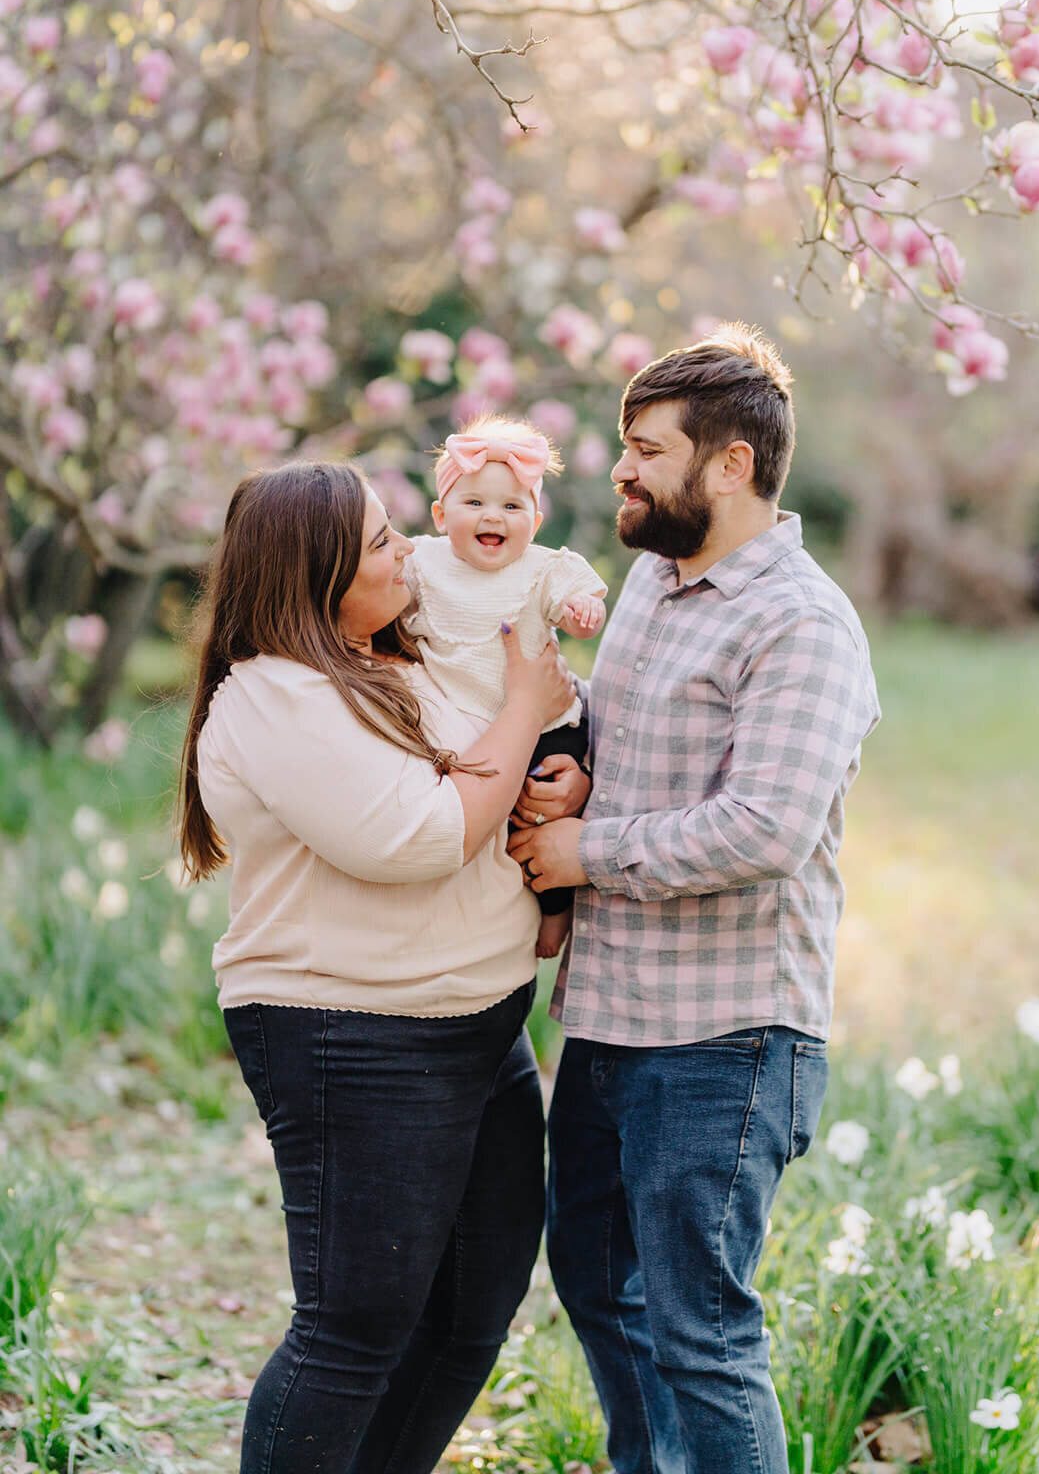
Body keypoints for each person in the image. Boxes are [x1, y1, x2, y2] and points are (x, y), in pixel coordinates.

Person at [509, 325, 881, 1474]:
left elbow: (763, 827)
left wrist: (583, 849)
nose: (619, 468)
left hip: (724, 1037)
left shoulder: (799, 623)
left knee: (699, 1333)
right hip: (611, 1017)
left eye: (644, 448)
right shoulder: (652, 582)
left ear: (728, 465)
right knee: (596, 1284)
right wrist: (571, 761)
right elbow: (629, 750)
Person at [177, 459, 575, 1474]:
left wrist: (544, 786)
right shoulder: (276, 695)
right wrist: (525, 707)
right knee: (355, 1325)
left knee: (469, 1310)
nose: (410, 553)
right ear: (315, 580)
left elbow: (476, 784)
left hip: (476, 1022)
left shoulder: (390, 665)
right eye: (382, 544)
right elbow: (415, 836)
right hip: (354, 1035)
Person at [407, 415, 607, 960]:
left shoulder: (542, 570)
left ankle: (555, 911)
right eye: (474, 503)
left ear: (536, 522)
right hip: (461, 723)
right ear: (440, 514)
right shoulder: (423, 562)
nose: (493, 515)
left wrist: (581, 611)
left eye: (512, 507)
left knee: (541, 817)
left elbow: (578, 600)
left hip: (543, 725)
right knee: (474, 827)